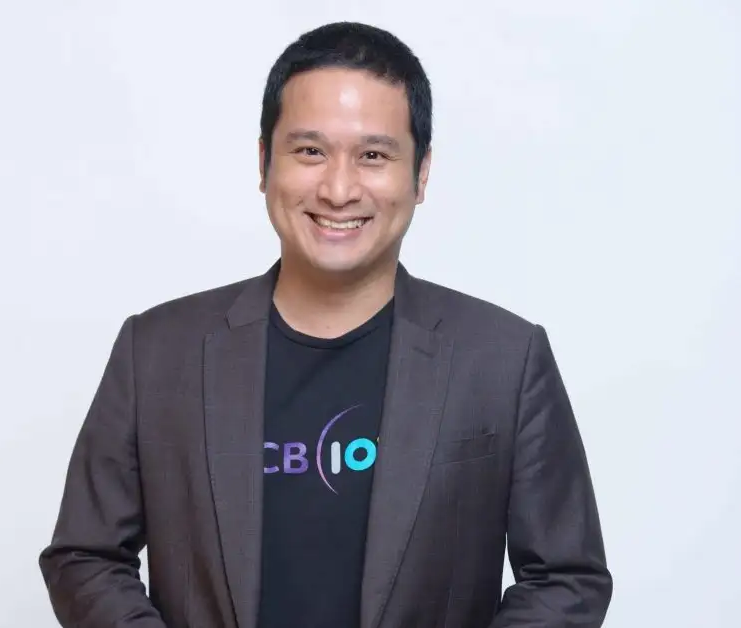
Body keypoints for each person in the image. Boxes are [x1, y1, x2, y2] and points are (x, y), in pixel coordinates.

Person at [39, 21, 613, 628]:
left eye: (373, 156)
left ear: (420, 175)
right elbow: (85, 556)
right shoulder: (157, 351)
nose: (339, 189)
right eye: (310, 151)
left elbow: (565, 578)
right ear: (264, 162)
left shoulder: (503, 359)